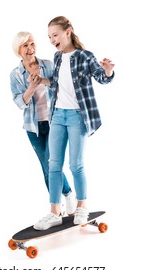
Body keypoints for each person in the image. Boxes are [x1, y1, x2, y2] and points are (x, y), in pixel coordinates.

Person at [33, 16, 115, 230]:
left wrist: (107, 70)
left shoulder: (85, 56)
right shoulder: (57, 57)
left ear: (67, 32)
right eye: (49, 37)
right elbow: (58, 84)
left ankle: (81, 206)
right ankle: (55, 212)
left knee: (76, 165)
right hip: (58, 116)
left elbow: (102, 78)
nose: (52, 40)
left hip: (78, 116)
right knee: (53, 165)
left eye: (55, 35)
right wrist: (42, 81)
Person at [9, 31, 76, 215]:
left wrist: (44, 81)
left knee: (51, 163)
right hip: (33, 127)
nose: (30, 49)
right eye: (25, 45)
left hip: (54, 121)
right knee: (46, 168)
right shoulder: (15, 75)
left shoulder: (48, 64)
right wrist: (31, 86)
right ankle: (58, 207)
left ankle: (68, 195)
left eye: (32, 44)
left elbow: (61, 87)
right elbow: (19, 103)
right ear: (19, 50)